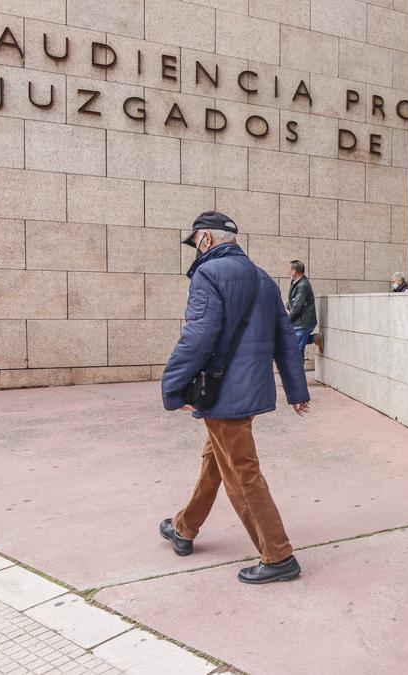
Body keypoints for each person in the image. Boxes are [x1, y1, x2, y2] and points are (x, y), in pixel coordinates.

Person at [159, 211, 311, 585]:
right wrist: (296, 390)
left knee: (242, 473)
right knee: (217, 461)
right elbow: (284, 338)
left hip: (223, 392)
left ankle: (278, 555)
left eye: (194, 242)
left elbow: (198, 335)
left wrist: (172, 387)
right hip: (248, 390)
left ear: (206, 240)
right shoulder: (262, 278)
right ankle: (185, 527)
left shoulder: (208, 274)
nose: (194, 250)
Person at [286, 260, 316, 360]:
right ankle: (315, 338)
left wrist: (286, 321)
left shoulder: (303, 285)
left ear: (294, 271)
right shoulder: (295, 281)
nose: (288, 271)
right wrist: (287, 308)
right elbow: (291, 299)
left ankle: (298, 374)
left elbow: (297, 307)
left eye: (290, 269)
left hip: (303, 322)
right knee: (293, 342)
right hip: (298, 320)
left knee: (297, 350)